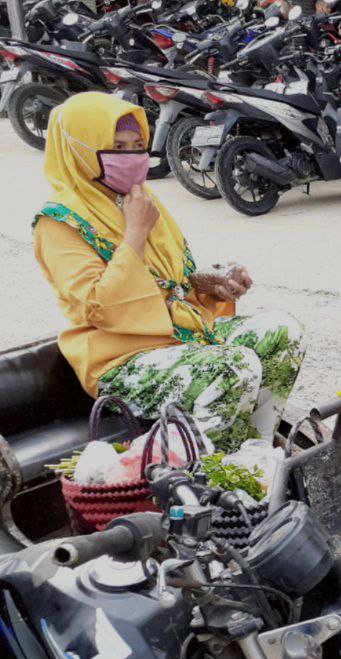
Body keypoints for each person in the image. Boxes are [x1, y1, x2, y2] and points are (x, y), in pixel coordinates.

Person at [33, 93, 305, 452]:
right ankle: (208, 475)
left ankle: (257, 451)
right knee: (232, 367)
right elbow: (100, 307)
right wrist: (134, 234)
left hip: (176, 336)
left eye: (137, 146)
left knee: (283, 331)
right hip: (120, 359)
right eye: (117, 147)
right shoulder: (59, 223)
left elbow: (168, 283)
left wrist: (208, 283)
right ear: (81, 149)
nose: (132, 158)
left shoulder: (137, 197)